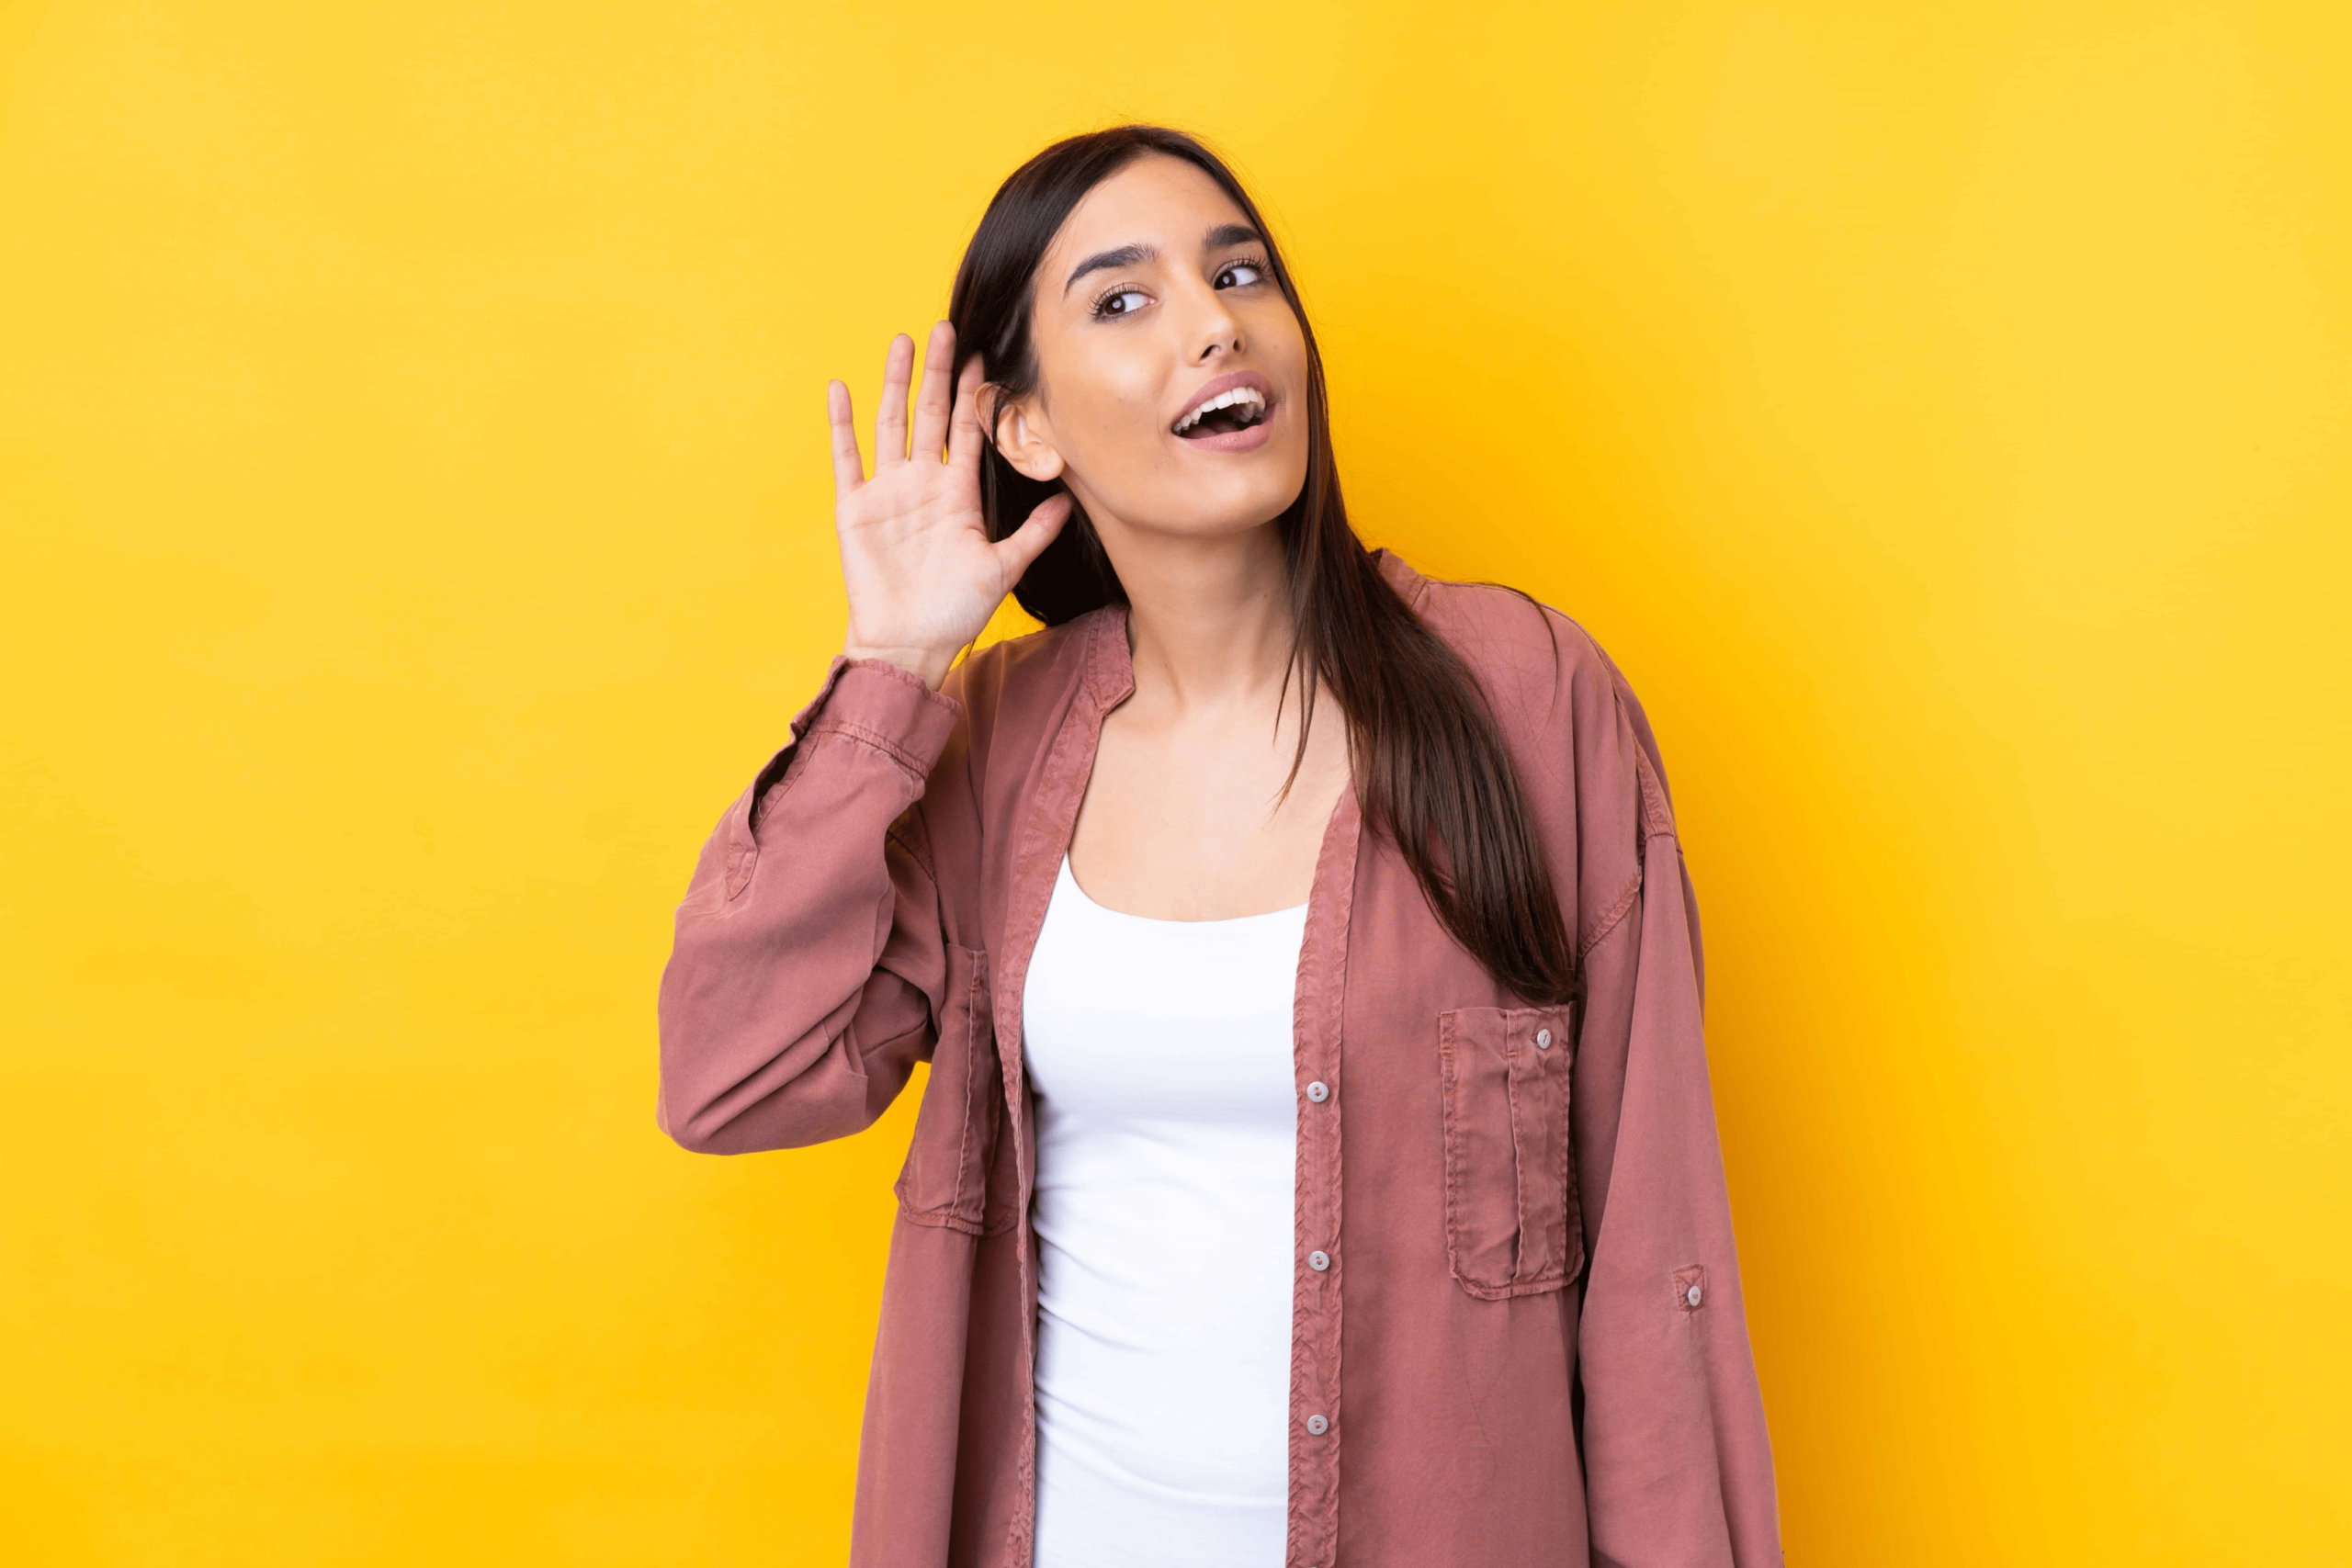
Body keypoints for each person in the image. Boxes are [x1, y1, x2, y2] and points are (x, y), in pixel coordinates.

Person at [656, 125, 1782, 1568]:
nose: (1214, 325)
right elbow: (733, 1075)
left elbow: (1654, 1259)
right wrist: (893, 669)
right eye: (1124, 300)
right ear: (1025, 429)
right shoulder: (994, 749)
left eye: (1240, 275)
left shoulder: (1527, 699)